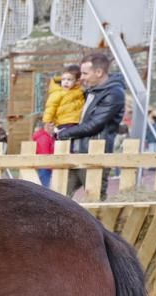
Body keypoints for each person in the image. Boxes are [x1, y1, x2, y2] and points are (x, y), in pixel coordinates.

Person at [57, 52, 126, 200]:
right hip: (76, 153)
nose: (81, 77)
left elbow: (94, 125)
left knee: (95, 202)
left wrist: (64, 133)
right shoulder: (91, 91)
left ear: (99, 72)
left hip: (94, 155)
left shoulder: (114, 93)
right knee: (57, 198)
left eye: (85, 73)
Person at [42, 65, 85, 137]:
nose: (66, 82)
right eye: (63, 79)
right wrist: (47, 121)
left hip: (77, 121)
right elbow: (50, 107)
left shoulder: (79, 91)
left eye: (69, 80)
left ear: (76, 81)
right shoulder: (58, 92)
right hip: (63, 122)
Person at [32, 120, 55, 188]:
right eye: (52, 125)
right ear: (46, 126)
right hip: (45, 167)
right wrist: (51, 166)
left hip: (45, 167)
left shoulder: (47, 137)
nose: (53, 128)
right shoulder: (44, 138)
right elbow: (44, 155)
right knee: (45, 188)